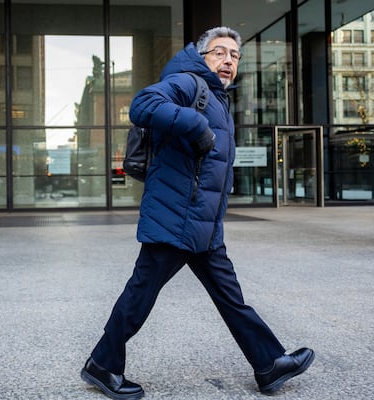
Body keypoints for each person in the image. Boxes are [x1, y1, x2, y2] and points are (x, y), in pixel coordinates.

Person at [80, 27, 314, 399]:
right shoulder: (189, 83)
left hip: (203, 224)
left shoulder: (220, 101)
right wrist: (197, 125)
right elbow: (143, 104)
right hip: (176, 218)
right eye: (220, 53)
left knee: (231, 298)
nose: (228, 60)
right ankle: (102, 365)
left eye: (235, 56)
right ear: (203, 56)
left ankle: (269, 364)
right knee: (141, 294)